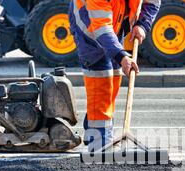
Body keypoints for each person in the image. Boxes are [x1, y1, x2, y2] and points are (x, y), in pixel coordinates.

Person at [69, 0, 161, 152]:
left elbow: (152, 2)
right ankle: (99, 144)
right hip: (89, 30)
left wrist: (142, 24)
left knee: (114, 78)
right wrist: (122, 56)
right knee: (101, 83)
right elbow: (101, 28)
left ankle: (95, 131)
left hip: (114, 24)